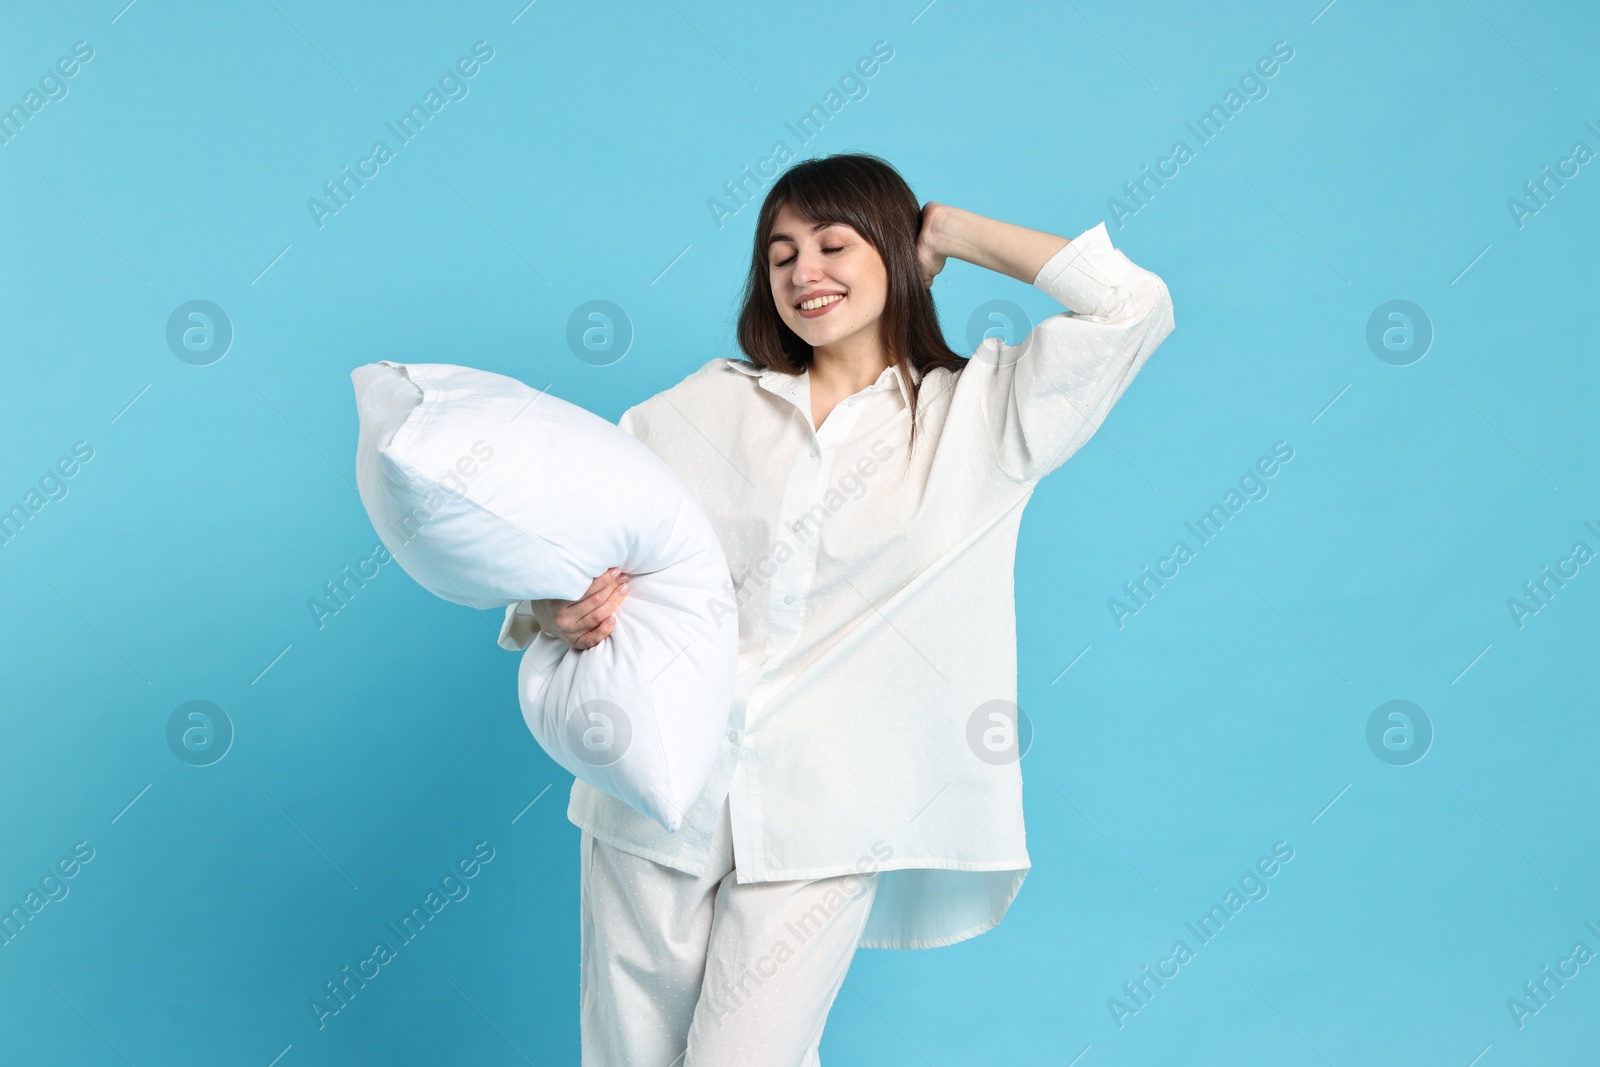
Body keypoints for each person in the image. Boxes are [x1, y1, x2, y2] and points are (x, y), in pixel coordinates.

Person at [498, 152, 1176, 1066]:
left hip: (831, 811)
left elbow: (1132, 305)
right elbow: (568, 545)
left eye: (832, 243)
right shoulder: (701, 407)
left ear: (893, 251)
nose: (803, 273)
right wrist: (552, 610)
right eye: (779, 255)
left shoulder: (979, 417)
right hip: (656, 791)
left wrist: (951, 231)